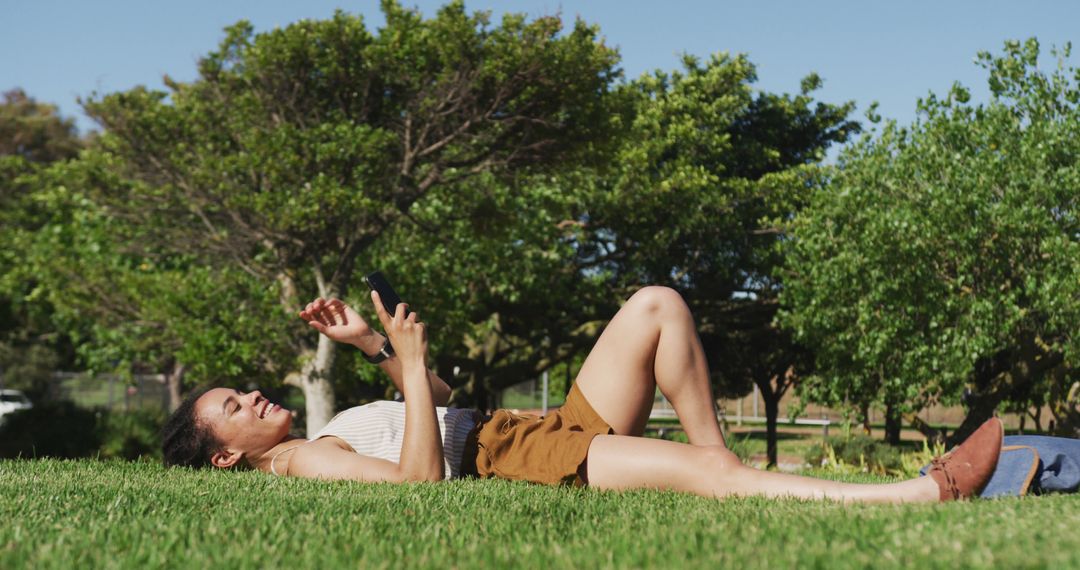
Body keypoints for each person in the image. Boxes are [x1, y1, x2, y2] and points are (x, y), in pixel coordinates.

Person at [162, 286, 1003, 503]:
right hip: (515, 454)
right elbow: (419, 485)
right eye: (235, 409)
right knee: (702, 476)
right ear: (227, 454)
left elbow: (446, 400)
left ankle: (730, 467)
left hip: (519, 424)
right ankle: (924, 491)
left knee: (656, 307)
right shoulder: (302, 461)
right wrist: (410, 368)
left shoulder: (314, 435)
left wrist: (377, 349)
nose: (256, 397)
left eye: (243, 390)